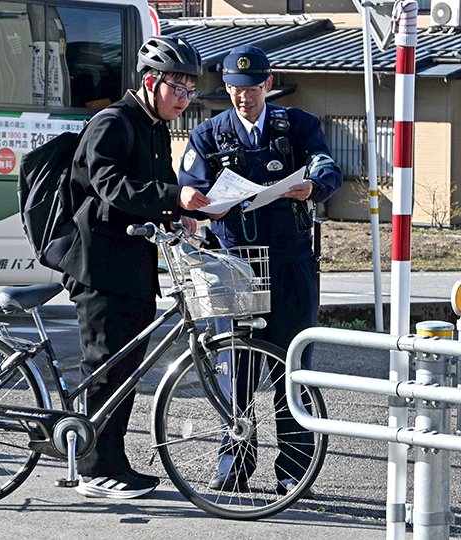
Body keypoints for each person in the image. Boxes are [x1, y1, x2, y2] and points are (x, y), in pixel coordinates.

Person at [177, 45, 342, 494]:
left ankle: (294, 471)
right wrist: (193, 201)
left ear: (268, 84)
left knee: (293, 369)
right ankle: (233, 466)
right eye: (234, 88)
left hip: (291, 263)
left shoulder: (298, 125)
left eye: (251, 88)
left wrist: (313, 185)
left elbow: (326, 164)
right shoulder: (209, 134)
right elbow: (189, 186)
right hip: (234, 266)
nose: (243, 97)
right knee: (236, 370)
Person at [61, 36, 209, 499]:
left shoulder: (154, 126)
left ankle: (114, 460)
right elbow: (111, 186)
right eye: (178, 89)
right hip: (99, 266)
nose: (185, 100)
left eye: (190, 92)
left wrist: (178, 212)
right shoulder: (112, 122)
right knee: (105, 366)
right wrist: (173, 196)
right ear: (150, 82)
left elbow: (155, 187)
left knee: (126, 369)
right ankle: (92, 470)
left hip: (134, 266)